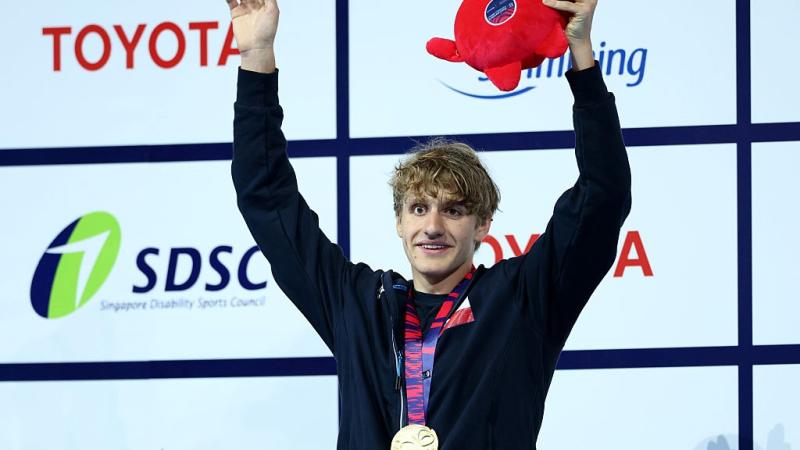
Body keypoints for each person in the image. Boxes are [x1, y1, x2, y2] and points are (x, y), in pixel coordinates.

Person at [228, 0, 631, 448]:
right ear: (399, 222)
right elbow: (267, 199)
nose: (433, 226)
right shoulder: (356, 305)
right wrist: (256, 58)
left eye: (454, 210)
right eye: (418, 209)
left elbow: (603, 196)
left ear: (483, 225)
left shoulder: (521, 300)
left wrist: (581, 55)